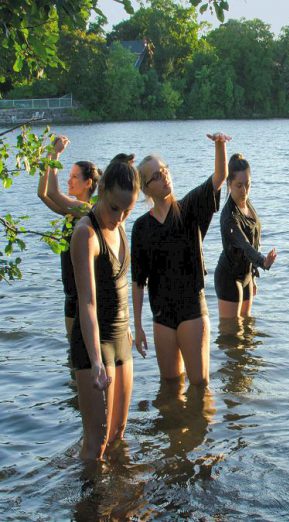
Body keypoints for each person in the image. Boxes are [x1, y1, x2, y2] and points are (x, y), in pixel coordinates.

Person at [131, 133, 230, 386]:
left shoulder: (189, 208)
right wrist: (139, 325)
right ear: (146, 188)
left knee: (200, 384)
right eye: (156, 175)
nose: (164, 176)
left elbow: (219, 178)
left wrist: (220, 146)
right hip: (162, 314)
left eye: (164, 170)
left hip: (192, 310)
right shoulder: (141, 228)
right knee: (170, 386)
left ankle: (202, 425)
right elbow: (138, 281)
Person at [69, 156, 139, 460]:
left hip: (121, 340)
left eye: (128, 210)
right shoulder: (86, 233)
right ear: (102, 191)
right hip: (94, 346)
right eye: (114, 208)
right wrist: (96, 360)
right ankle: (90, 506)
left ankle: (119, 504)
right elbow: (86, 301)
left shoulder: (120, 226)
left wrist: (132, 330)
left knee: (118, 435)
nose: (120, 217)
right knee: (96, 443)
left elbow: (123, 287)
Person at [36, 135, 100, 338]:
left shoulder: (86, 209)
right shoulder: (71, 212)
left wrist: (55, 154)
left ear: (88, 183)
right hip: (71, 294)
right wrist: (48, 158)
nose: (69, 180)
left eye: (74, 177)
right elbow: (43, 194)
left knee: (84, 357)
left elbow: (54, 192)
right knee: (74, 355)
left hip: (85, 297)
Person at [214, 153, 277, 319]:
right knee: (232, 333)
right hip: (229, 276)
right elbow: (244, 245)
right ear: (229, 184)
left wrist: (254, 274)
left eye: (248, 185)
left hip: (247, 274)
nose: (244, 191)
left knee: (248, 328)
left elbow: (255, 239)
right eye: (239, 186)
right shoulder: (229, 217)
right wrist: (263, 262)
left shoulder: (247, 204)